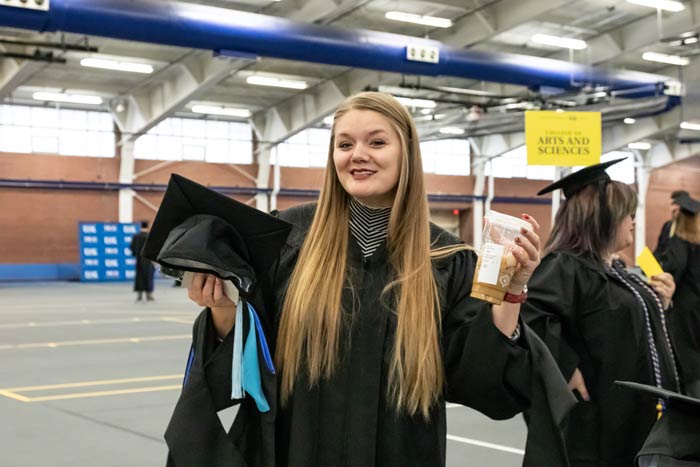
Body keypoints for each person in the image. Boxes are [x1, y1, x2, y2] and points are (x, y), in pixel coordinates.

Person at [173, 92, 561, 467]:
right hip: (299, 451)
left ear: (405, 152)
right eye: (344, 145)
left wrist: (511, 292)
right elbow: (250, 364)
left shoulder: (447, 258)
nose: (358, 155)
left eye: (376, 142)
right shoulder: (286, 238)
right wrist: (223, 311)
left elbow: (479, 381)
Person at [521, 159, 681, 467]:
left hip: (634, 417)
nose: (633, 221)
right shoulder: (564, 266)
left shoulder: (615, 269)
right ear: (601, 219)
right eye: (627, 215)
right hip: (598, 425)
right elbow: (529, 314)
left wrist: (659, 302)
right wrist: (564, 366)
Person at [656, 192, 700, 397]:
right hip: (694, 310)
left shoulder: (679, 243)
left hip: (684, 313)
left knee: (687, 366)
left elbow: (669, 268)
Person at [655, 190, 689, 256]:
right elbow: (659, 250)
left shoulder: (694, 229)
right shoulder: (667, 226)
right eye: (672, 204)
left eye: (677, 204)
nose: (673, 208)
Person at [129, 220, 155, 302]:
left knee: (139, 277)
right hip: (148, 260)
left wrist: (135, 254)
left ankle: (139, 295)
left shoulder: (136, 236)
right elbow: (154, 248)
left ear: (141, 226)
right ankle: (149, 295)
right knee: (148, 276)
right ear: (147, 226)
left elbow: (132, 247)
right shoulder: (150, 236)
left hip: (139, 259)